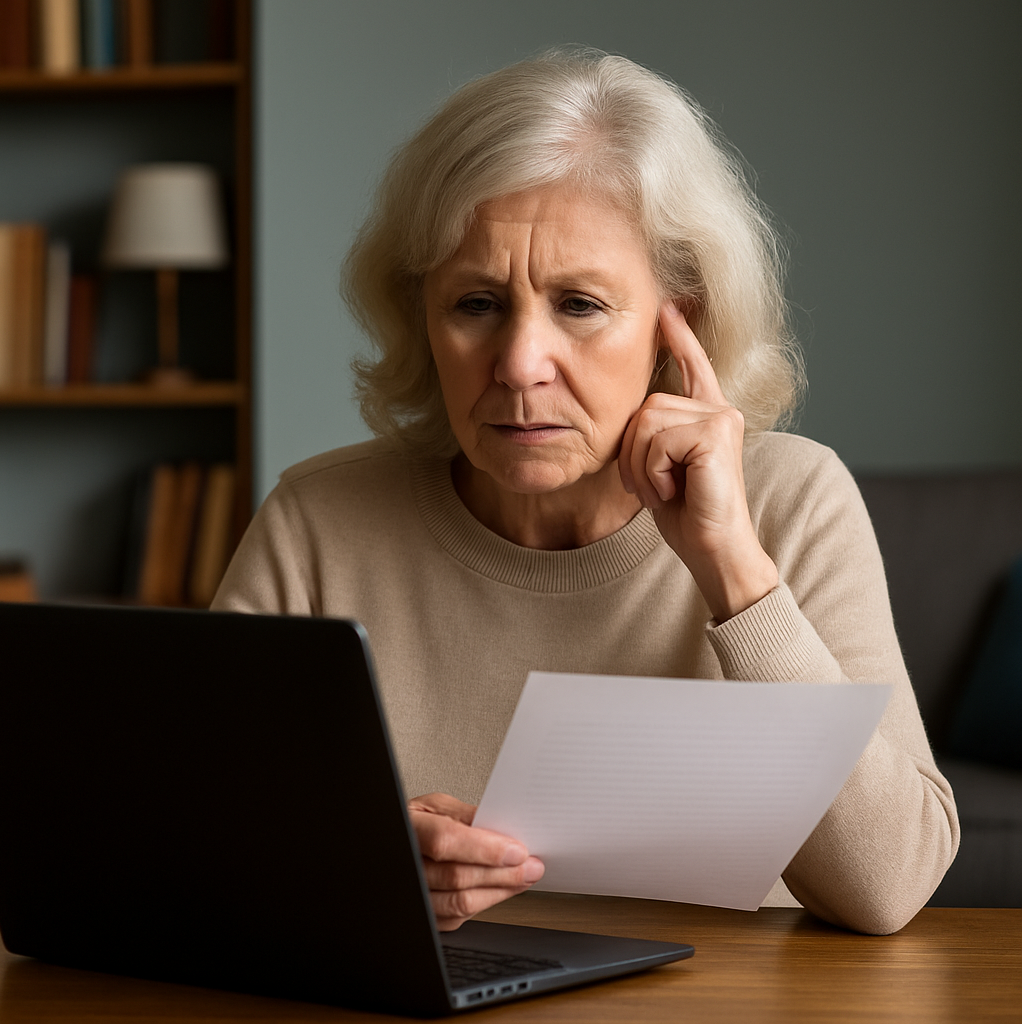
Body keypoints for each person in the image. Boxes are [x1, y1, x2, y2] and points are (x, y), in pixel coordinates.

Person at [213, 48, 958, 936]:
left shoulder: (794, 502)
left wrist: (732, 571)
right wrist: (352, 859)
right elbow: (180, 841)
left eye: (579, 304)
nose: (522, 366)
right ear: (422, 315)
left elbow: (890, 887)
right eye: (477, 304)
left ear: (677, 323)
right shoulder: (318, 521)